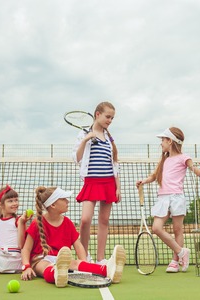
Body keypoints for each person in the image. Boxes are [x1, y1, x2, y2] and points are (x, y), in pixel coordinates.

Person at [136, 127, 200, 273]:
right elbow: (154, 176)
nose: (161, 143)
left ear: (170, 141)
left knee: (177, 230)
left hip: (177, 197)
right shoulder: (164, 160)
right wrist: (143, 181)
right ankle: (182, 252)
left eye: (163, 140)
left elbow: (199, 173)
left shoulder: (184, 158)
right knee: (156, 228)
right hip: (163, 198)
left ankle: (175, 262)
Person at [20, 186, 126, 287]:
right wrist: (26, 266)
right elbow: (26, 249)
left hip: (62, 260)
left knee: (75, 263)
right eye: (63, 199)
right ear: (53, 205)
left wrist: (83, 263)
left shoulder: (68, 223)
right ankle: (56, 275)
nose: (67, 201)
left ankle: (108, 270)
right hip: (40, 260)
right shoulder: (37, 223)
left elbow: (78, 246)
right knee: (46, 266)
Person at [72, 101, 120, 264]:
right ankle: (84, 257)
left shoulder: (109, 138)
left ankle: (100, 259)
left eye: (112, 118)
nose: (110, 120)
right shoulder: (84, 134)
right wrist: (86, 139)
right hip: (91, 182)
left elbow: (114, 163)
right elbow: (76, 158)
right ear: (97, 114)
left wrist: (118, 187)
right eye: (108, 117)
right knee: (85, 219)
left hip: (108, 183)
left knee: (104, 221)